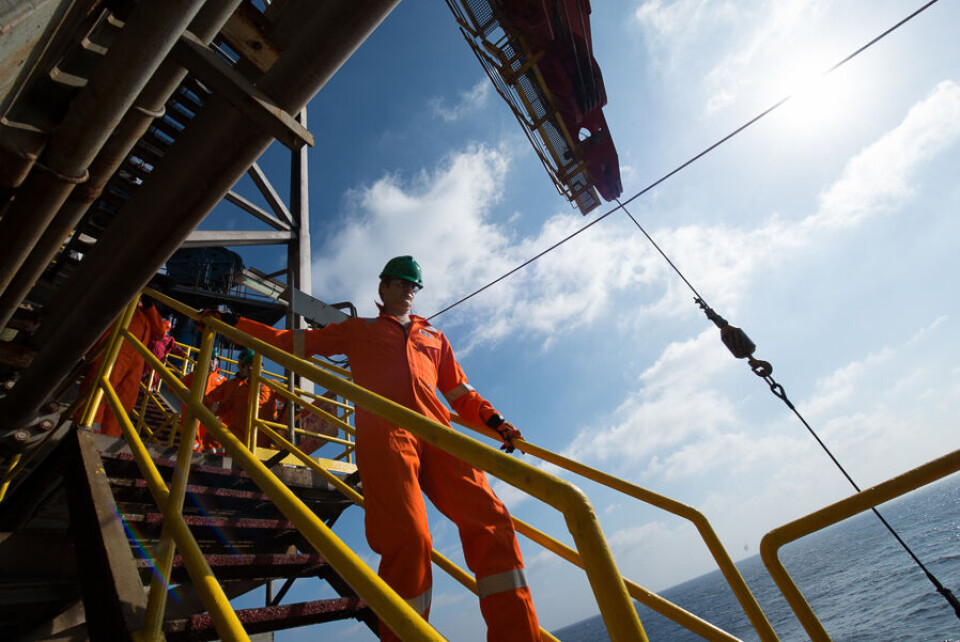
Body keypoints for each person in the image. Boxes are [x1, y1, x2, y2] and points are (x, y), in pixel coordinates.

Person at [234, 256, 540, 642]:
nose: (408, 290)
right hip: (386, 434)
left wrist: (497, 424)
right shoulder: (358, 330)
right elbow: (296, 343)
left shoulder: (435, 338)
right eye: (400, 283)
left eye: (414, 285)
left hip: (438, 434)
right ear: (382, 288)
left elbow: (461, 394)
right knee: (410, 539)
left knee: (493, 522)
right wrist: (237, 326)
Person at [77, 298, 166, 437]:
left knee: (122, 403)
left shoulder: (146, 317)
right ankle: (86, 431)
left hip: (133, 365)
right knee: (98, 393)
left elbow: (160, 333)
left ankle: (108, 437)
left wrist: (150, 308)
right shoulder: (122, 308)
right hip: (114, 356)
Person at [204, 347, 279, 449]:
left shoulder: (272, 386)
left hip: (263, 439)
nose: (251, 368)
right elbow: (220, 408)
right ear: (243, 368)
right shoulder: (237, 390)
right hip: (239, 438)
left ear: (261, 367)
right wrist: (202, 405)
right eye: (247, 366)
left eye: (254, 364)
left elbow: (292, 400)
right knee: (211, 436)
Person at [180, 349, 227, 452]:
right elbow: (177, 386)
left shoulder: (222, 380)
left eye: (215, 359)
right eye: (211, 358)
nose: (213, 361)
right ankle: (192, 451)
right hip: (194, 409)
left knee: (207, 433)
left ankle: (204, 450)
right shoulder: (195, 375)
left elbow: (227, 398)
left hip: (210, 412)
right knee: (193, 431)